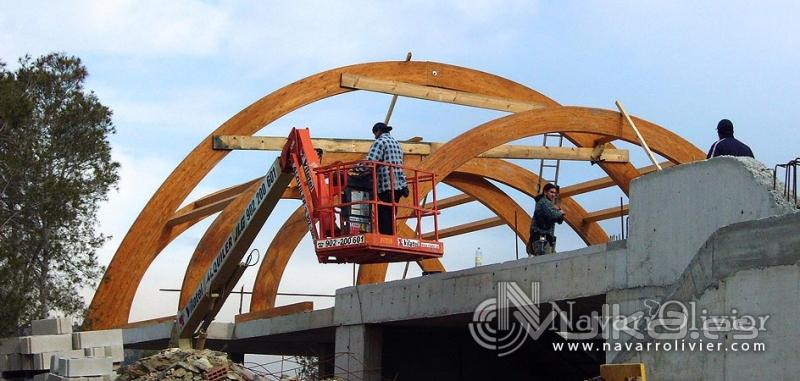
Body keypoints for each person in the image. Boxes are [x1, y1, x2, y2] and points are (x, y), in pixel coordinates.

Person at [362, 122, 409, 235]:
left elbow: (371, 161)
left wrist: (356, 169)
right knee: (391, 213)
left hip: (386, 185)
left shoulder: (380, 142)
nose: (374, 136)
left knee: (383, 215)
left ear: (378, 131)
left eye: (375, 133)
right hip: (399, 185)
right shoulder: (397, 143)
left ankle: (386, 238)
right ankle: (391, 236)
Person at [527, 183, 564, 256]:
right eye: (551, 192)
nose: (553, 195)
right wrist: (560, 212)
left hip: (545, 241)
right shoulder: (543, 202)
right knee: (546, 262)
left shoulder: (548, 204)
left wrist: (558, 211)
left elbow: (559, 220)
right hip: (541, 241)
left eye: (555, 193)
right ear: (545, 192)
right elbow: (553, 215)